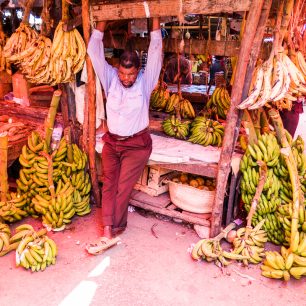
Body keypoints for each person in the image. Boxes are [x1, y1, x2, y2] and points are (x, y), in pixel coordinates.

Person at [86, 18, 162, 254]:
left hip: (137, 146)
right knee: (109, 183)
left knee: (122, 187)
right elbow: (93, 52)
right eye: (122, 73)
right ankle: (109, 230)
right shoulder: (110, 78)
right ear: (117, 69)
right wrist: (101, 23)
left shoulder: (144, 82)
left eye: (130, 74)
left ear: (137, 71)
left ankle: (114, 227)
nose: (125, 78)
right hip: (112, 143)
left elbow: (156, 51)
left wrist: (155, 20)